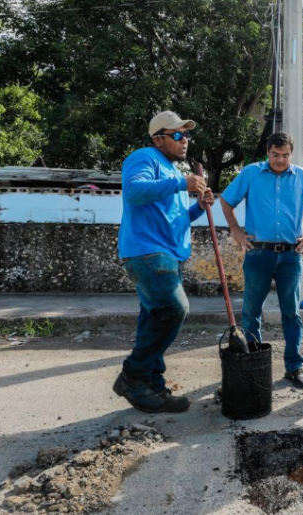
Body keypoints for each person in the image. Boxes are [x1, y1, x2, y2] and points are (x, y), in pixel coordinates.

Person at [114, 111, 214, 413]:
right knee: (173, 309)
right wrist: (182, 183)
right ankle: (133, 376)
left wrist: (198, 206)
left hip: (165, 253)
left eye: (187, 135)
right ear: (158, 138)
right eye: (178, 135)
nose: (185, 140)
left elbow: (176, 217)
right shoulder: (145, 157)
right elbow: (132, 191)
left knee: (153, 319)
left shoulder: (170, 170)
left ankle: (152, 386)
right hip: (148, 252)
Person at [220, 132, 303, 389]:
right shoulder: (251, 173)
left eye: (286, 155)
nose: (281, 160)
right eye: (276, 155)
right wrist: (235, 229)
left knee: (292, 313)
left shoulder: (302, 177)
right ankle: (253, 364)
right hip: (258, 254)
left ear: (291, 153)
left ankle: (294, 366)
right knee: (251, 313)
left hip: (291, 256)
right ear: (268, 152)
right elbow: (226, 200)